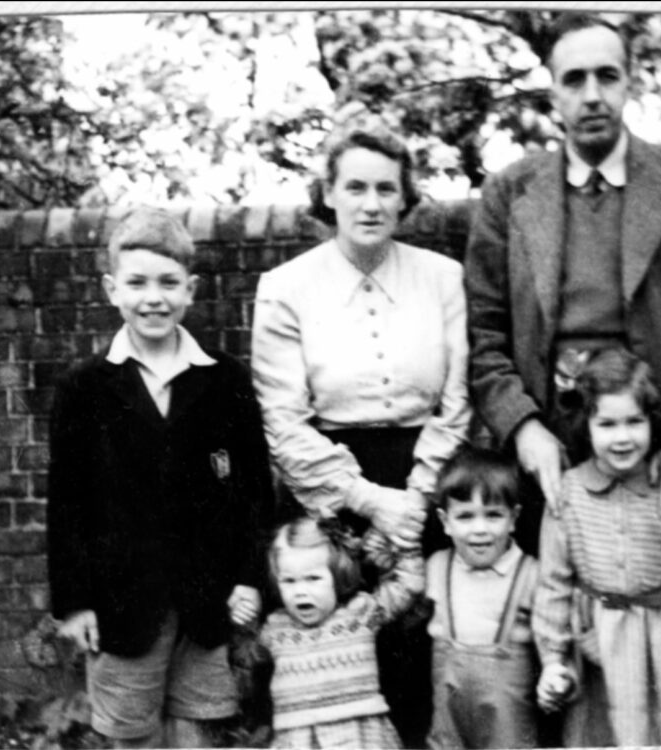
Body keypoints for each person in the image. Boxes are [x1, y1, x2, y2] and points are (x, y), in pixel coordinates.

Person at [465, 12, 661, 552]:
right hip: (549, 447)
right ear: (553, 97)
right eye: (574, 80)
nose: (592, 95)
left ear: (629, 83)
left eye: (607, 76)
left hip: (653, 444)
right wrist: (523, 429)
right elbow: (485, 334)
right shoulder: (509, 191)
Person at [250, 126, 470, 746]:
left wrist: (416, 502)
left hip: (428, 478)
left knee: (418, 664)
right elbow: (282, 419)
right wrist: (369, 501)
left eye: (386, 189)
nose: (371, 203)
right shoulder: (286, 287)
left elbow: (457, 400)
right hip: (331, 488)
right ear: (329, 194)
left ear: (405, 198)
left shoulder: (443, 277)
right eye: (355, 187)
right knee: (332, 662)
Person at [47, 208, 275, 748]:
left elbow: (253, 491)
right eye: (138, 283)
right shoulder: (85, 388)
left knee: (199, 729)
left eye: (169, 283)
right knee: (131, 735)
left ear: (190, 289)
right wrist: (74, 602)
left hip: (208, 598)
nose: (154, 297)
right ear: (111, 289)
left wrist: (247, 576)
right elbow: (67, 503)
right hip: (121, 603)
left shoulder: (224, 381)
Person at [533, 347, 661, 746]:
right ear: (587, 425)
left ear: (651, 422)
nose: (622, 437)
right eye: (608, 424)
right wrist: (553, 659)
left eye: (634, 421)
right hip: (598, 647)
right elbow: (553, 586)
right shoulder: (569, 494)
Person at [258, 516, 425, 749]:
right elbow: (244, 656)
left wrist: (407, 547)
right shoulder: (275, 628)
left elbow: (408, 587)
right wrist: (241, 614)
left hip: (360, 736)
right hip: (298, 740)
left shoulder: (361, 613)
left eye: (313, 578)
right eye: (289, 581)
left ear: (337, 576)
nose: (300, 591)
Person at [425, 447, 540, 749]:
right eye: (465, 516)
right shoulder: (436, 567)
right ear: (445, 520)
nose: (479, 529)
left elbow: (554, 635)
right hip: (449, 716)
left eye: (493, 515)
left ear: (513, 518)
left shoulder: (530, 573)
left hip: (508, 721)